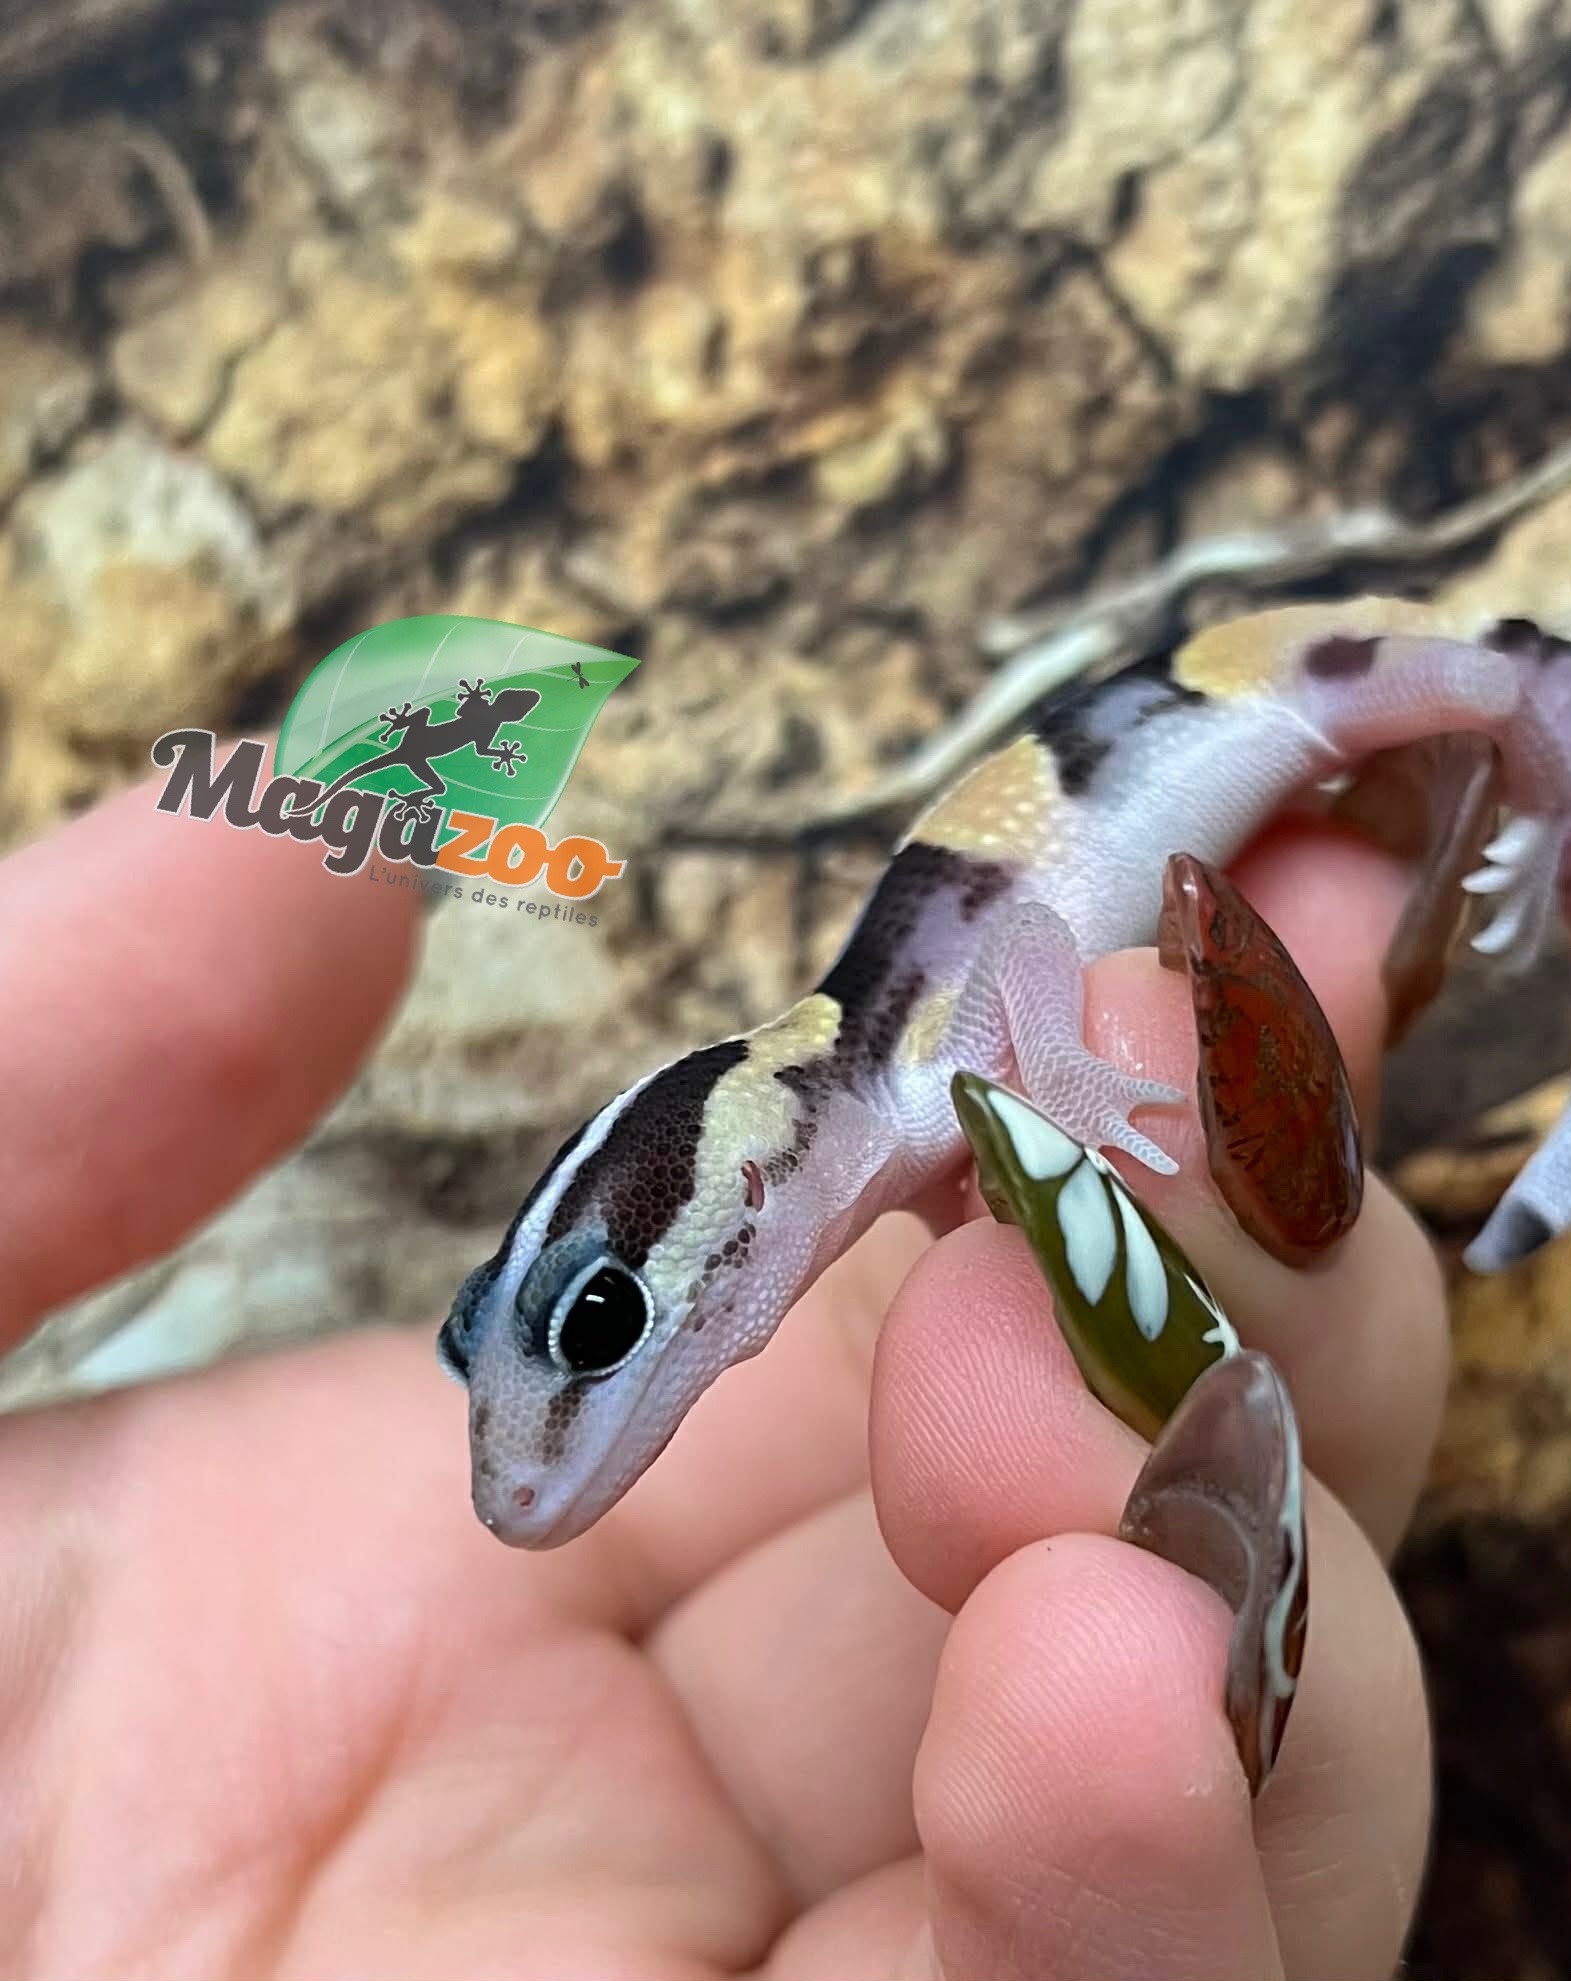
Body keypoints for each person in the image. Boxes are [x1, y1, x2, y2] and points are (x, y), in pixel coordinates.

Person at [0, 759, 1450, 1980]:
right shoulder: (875, 1143)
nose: (510, 1473)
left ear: (747, 1180)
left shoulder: (881, 1090)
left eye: (593, 1328)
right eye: (492, 1343)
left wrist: (1069, 1081)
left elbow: (1019, 956)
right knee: (1107, 1707)